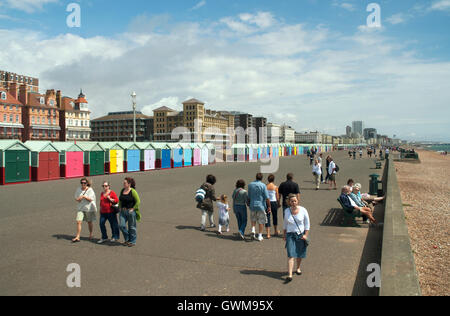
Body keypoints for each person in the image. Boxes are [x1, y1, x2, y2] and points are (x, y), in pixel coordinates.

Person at [283, 194, 310, 283]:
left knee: (299, 253)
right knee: (291, 254)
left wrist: (305, 235)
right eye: (292, 201)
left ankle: (298, 268)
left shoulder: (303, 210)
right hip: (290, 235)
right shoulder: (287, 211)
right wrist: (284, 235)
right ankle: (290, 275)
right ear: (289, 202)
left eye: (295, 201)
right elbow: (285, 224)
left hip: (300, 234)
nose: (294, 202)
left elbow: (307, 223)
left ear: (297, 201)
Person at [248, 173, 271, 242]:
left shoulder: (250, 185)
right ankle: (260, 235)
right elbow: (267, 197)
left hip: (252, 204)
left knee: (253, 218)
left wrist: (248, 203)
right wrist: (269, 206)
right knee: (261, 221)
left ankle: (253, 229)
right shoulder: (263, 185)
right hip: (261, 205)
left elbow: (248, 196)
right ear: (261, 178)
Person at [72, 178, 97, 243]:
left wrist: (84, 197)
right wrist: (78, 199)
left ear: (87, 183)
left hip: (88, 208)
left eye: (84, 183)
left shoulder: (90, 190)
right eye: (82, 183)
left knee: (89, 222)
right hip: (80, 208)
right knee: (78, 221)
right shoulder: (78, 189)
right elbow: (76, 198)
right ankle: (78, 236)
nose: (83, 184)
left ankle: (91, 234)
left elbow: (91, 199)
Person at [118, 177, 141, 247]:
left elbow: (138, 201)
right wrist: (119, 207)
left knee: (132, 227)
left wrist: (133, 209)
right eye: (123, 182)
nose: (123, 184)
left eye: (125, 183)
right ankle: (127, 238)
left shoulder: (133, 191)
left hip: (130, 212)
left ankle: (132, 241)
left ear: (129, 184)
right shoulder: (122, 190)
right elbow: (120, 200)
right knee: (121, 226)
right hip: (123, 211)